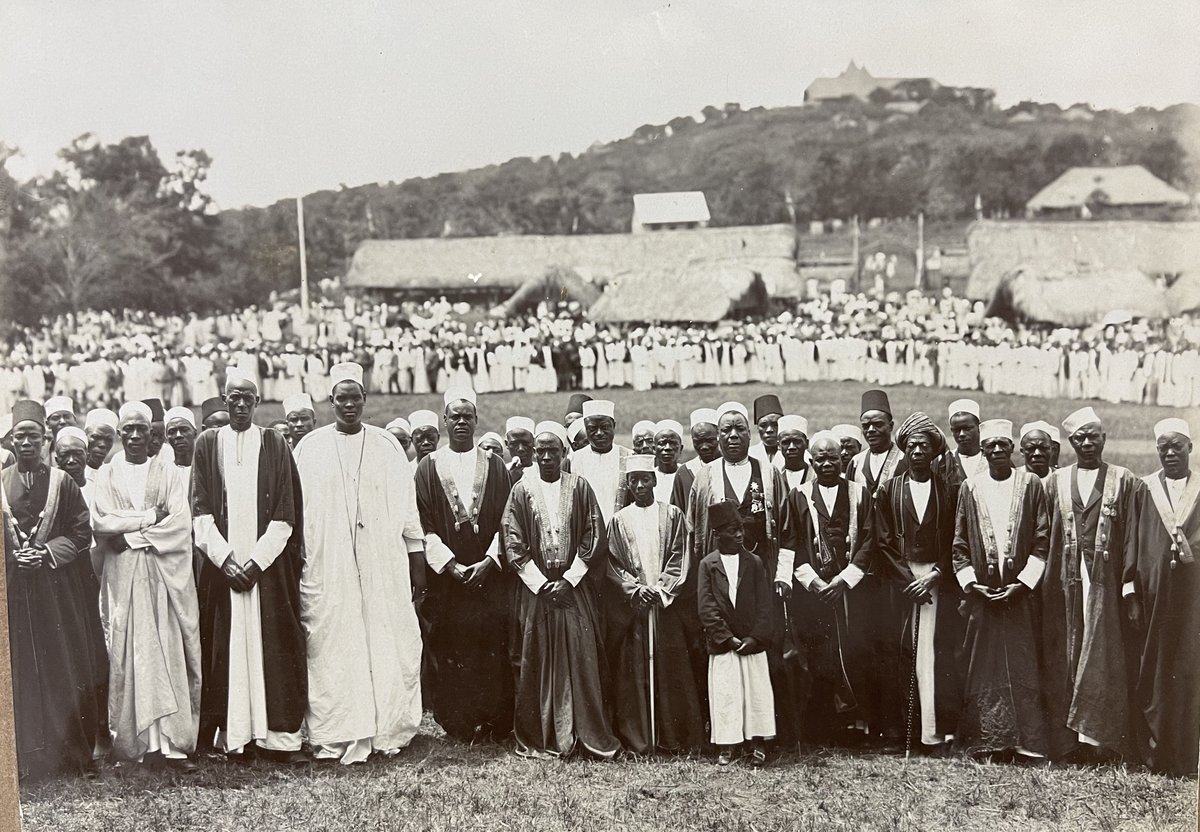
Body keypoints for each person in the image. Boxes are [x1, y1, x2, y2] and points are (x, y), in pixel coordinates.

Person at [294, 362, 426, 764]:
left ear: (365, 400)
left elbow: (408, 513)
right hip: (327, 566)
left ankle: (388, 727)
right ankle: (338, 731)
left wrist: (416, 563)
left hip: (382, 564)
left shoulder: (387, 445)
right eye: (341, 398)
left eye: (356, 397)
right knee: (333, 644)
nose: (349, 405)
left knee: (387, 640)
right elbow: (299, 515)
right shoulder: (309, 448)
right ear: (330, 401)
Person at [191, 369, 307, 764]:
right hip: (223, 572)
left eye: (247, 398)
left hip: (266, 572)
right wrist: (225, 562)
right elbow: (200, 510)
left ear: (258, 403)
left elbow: (286, 512)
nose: (240, 404)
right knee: (225, 648)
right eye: (233, 397)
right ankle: (235, 736)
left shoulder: (275, 443)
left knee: (273, 647)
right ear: (224, 400)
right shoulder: (207, 444)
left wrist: (255, 564)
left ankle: (276, 740)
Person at [91, 401, 201, 770]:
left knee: (167, 650)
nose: (136, 436)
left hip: (161, 578)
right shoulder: (107, 474)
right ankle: (135, 745)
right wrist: (148, 518)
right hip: (124, 579)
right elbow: (103, 523)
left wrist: (132, 533)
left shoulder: (166, 470)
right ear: (119, 433)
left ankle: (171, 745)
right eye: (128, 430)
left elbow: (178, 522)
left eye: (142, 429)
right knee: (131, 651)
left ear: (151, 432)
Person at [502, 421, 619, 759]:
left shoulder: (580, 487)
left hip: (574, 589)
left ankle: (584, 733)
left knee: (582, 656)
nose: (547, 457)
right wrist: (542, 584)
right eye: (541, 452)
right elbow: (513, 543)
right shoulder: (521, 491)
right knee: (537, 656)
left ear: (565, 454)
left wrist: (569, 580)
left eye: (554, 451)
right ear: (534, 456)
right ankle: (545, 735)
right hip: (537, 592)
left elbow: (593, 536)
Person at [3, 400, 104, 782]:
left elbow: (82, 533)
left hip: (55, 592)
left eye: (33, 436)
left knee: (62, 666)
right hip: (14, 593)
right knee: (21, 670)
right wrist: (16, 558)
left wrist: (45, 552)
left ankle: (72, 756)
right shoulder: (1, 482)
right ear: (11, 441)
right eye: (19, 437)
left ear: (46, 439)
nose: (26, 443)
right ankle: (26, 760)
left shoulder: (63, 482)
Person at [685, 402, 797, 745]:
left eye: (740, 430)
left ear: (750, 434)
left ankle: (763, 735)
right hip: (721, 581)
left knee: (761, 655)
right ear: (717, 436)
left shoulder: (768, 472)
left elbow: (786, 528)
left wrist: (782, 575)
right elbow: (696, 533)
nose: (733, 436)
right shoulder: (705, 476)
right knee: (724, 660)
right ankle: (725, 734)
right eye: (725, 431)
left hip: (758, 578)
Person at [1040, 406, 1140, 763]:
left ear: (1104, 439)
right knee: (1067, 651)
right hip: (1064, 583)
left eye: (1093, 437)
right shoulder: (1055, 482)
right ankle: (1071, 741)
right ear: (1069, 443)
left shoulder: (1124, 480)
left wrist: (1128, 583)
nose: (1087, 444)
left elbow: (1133, 537)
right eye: (1079, 438)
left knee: (1104, 652)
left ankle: (1104, 739)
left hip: (1106, 584)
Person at [415, 387, 514, 743]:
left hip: (489, 576)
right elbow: (422, 523)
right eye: (454, 417)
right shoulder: (428, 467)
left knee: (490, 646)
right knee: (450, 644)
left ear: (476, 420)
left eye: (467, 416)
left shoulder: (494, 465)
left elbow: (508, 521)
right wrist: (451, 565)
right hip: (449, 578)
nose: (460, 422)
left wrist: (490, 560)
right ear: (444, 421)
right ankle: (457, 721)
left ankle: (492, 720)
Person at [952, 418, 1051, 760]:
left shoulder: (1031, 485)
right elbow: (960, 542)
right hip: (983, 595)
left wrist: (1022, 585)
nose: (996, 451)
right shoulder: (971, 488)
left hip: (1020, 596)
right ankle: (987, 741)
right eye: (990, 446)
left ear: (1012, 450)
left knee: (1023, 662)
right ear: (983, 450)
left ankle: (1027, 743)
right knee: (983, 664)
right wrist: (971, 584)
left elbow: (1042, 541)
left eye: (1002, 446)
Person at [875, 413, 961, 754]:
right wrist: (908, 579)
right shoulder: (890, 489)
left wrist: (936, 574)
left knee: (934, 654)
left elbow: (957, 537)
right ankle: (901, 733)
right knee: (901, 652)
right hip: (902, 581)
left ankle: (935, 735)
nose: (917, 451)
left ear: (934, 451)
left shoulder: (948, 490)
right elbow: (883, 541)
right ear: (904, 451)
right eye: (911, 446)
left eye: (924, 446)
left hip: (938, 580)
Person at [605, 456, 702, 754]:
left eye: (645, 479)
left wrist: (661, 590)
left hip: (664, 607)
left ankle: (672, 737)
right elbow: (613, 564)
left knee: (671, 669)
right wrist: (635, 590)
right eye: (633, 480)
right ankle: (641, 738)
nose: (639, 485)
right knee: (635, 670)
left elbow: (679, 556)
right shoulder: (619, 520)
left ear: (655, 480)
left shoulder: (673, 515)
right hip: (636, 609)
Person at [789, 431, 877, 746]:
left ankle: (856, 729)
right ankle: (823, 730)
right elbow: (791, 544)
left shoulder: (859, 494)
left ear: (843, 459)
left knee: (854, 653)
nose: (827, 463)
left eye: (833, 458)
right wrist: (814, 582)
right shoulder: (798, 496)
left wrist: (844, 580)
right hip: (814, 594)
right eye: (820, 459)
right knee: (819, 657)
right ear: (811, 462)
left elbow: (869, 541)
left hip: (851, 591)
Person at [1127, 417, 1199, 776]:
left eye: (1177, 446)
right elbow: (1133, 543)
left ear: (1190, 447)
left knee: (1187, 671)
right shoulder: (1145, 489)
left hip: (1192, 599)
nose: (1170, 453)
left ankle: (1185, 757)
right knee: (1154, 671)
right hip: (1153, 596)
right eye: (1163, 448)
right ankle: (1155, 754)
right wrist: (1131, 594)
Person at [697, 500, 776, 767]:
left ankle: (758, 742)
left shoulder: (753, 562)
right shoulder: (708, 565)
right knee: (726, 692)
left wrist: (754, 638)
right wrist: (727, 638)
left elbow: (765, 605)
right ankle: (728, 744)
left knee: (756, 692)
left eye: (741, 529)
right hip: (725, 644)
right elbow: (707, 608)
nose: (740, 535)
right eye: (732, 530)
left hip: (751, 643)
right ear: (717, 534)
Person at [570, 399, 632, 523]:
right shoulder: (573, 461)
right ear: (585, 428)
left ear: (613, 425)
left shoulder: (629, 457)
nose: (599, 433)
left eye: (604, 427)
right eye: (593, 428)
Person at [936, 399, 986, 509]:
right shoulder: (944, 462)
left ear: (979, 427)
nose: (962, 434)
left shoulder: (991, 460)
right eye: (957, 430)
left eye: (968, 428)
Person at [651, 419, 690, 511]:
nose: (667, 448)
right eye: (662, 443)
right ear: (654, 449)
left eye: (673, 443)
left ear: (681, 448)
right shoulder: (649, 476)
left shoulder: (688, 474)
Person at [749, 394, 785, 470]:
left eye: (775, 424)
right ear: (758, 428)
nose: (769, 430)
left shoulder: (794, 453)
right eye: (763, 425)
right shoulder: (750, 454)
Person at [83, 408, 119, 483]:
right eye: (96, 437)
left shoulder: (114, 477)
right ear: (84, 436)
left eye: (108, 439)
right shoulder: (70, 474)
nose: (102, 444)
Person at [778, 415, 812, 491]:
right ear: (778, 446)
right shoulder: (776, 477)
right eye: (786, 442)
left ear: (806, 443)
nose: (791, 447)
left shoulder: (816, 475)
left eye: (797, 441)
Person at [685, 408, 720, 474]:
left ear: (719, 436)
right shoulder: (685, 471)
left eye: (709, 440)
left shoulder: (731, 466)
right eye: (698, 441)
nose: (704, 447)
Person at [164, 406, 197, 470]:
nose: (178, 435)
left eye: (184, 430)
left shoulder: (206, 469)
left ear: (195, 433)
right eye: (172, 432)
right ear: (167, 438)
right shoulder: (165, 472)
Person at [504, 416, 535, 482]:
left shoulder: (541, 472)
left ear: (534, 442)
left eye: (525, 443)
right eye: (514, 444)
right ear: (507, 444)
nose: (521, 449)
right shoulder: (501, 473)